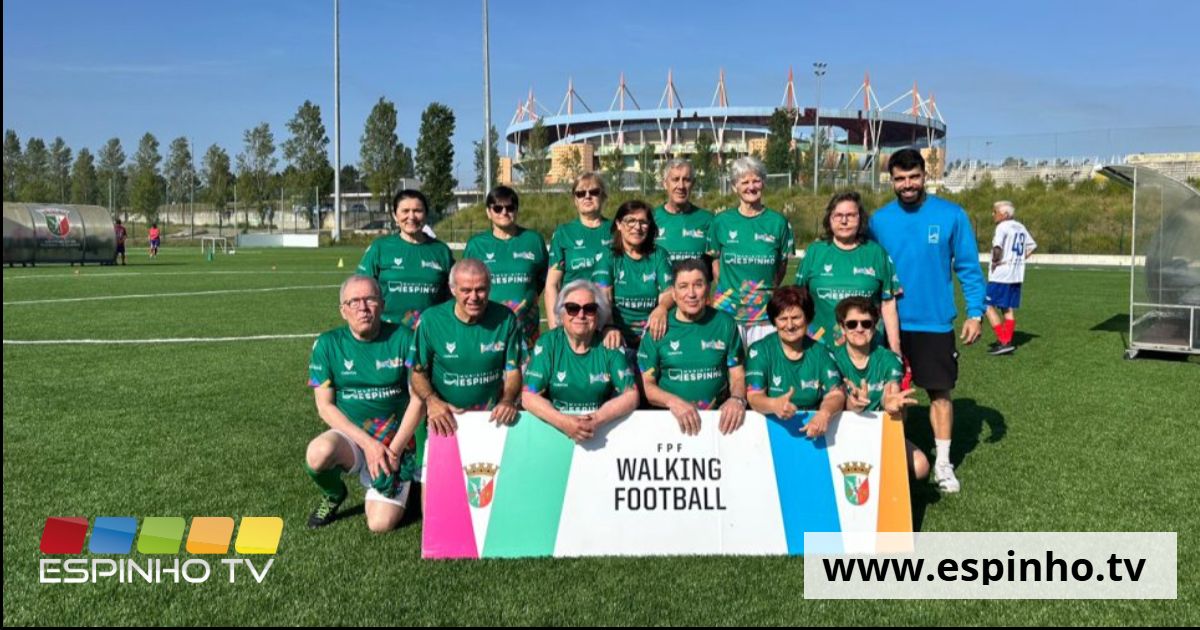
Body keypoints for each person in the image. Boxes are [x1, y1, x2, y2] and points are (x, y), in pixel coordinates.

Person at [868, 148, 986, 493]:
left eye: (913, 177)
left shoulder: (951, 215)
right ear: (891, 181)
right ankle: (892, 458)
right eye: (900, 179)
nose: (907, 185)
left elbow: (968, 267)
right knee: (890, 392)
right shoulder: (878, 221)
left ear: (925, 176)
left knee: (940, 393)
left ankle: (944, 464)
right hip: (889, 325)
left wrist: (975, 313)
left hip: (934, 324)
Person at [304, 276, 425, 531]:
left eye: (370, 299)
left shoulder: (406, 339)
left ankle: (406, 480)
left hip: (396, 442)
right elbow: (325, 406)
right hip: (354, 439)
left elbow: (419, 398)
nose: (363, 307)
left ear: (381, 304)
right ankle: (334, 495)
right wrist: (369, 445)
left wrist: (394, 449)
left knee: (380, 525)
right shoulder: (326, 344)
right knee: (318, 454)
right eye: (354, 301)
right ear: (343, 310)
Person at [408, 259, 524, 441]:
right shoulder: (431, 320)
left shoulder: (506, 318)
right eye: (466, 290)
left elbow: (513, 370)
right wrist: (432, 400)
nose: (474, 297)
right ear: (452, 289)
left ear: (490, 287)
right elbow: (417, 372)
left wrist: (508, 400)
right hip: (444, 418)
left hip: (492, 419)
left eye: (480, 289)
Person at [637, 258, 747, 436]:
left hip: (718, 424)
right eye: (683, 286)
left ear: (708, 288)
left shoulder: (725, 323)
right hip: (670, 423)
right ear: (673, 293)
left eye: (698, 285)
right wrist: (674, 402)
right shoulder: (657, 328)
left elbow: (737, 375)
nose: (691, 293)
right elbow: (647, 386)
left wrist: (736, 399)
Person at [522, 280, 639, 443]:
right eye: (573, 308)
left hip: (600, 433)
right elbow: (528, 397)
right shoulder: (547, 343)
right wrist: (564, 422)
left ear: (598, 315)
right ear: (561, 313)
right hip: (558, 433)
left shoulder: (609, 343)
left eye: (589, 309)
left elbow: (631, 395)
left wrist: (595, 420)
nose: (581, 315)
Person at [832, 296, 929, 480]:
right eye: (852, 324)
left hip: (877, 430)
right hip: (840, 432)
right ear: (842, 327)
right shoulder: (831, 359)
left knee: (920, 465)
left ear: (875, 325)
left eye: (866, 323)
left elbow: (890, 394)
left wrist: (892, 405)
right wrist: (853, 405)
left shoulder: (889, 359)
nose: (859, 329)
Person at [794, 191, 901, 352]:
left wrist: (895, 349)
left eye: (851, 215)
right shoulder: (814, 252)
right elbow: (798, 301)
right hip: (820, 350)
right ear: (829, 219)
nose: (844, 221)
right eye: (838, 215)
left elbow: (888, 304)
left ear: (861, 219)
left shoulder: (876, 253)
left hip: (867, 351)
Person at [707, 156, 795, 346]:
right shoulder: (721, 222)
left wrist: (765, 293)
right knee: (730, 370)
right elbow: (714, 261)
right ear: (734, 187)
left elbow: (782, 266)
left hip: (765, 313)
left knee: (763, 371)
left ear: (763, 183)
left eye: (756, 180)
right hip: (728, 311)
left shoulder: (778, 223)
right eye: (744, 182)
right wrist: (728, 291)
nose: (751, 187)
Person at [745, 286, 845, 438]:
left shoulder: (821, 352)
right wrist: (774, 405)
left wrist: (825, 413)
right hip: (768, 435)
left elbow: (836, 395)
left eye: (796, 317)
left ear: (808, 318)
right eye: (783, 319)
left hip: (814, 432)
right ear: (774, 321)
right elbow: (754, 397)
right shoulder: (759, 351)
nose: (790, 326)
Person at [356, 189, 454, 329]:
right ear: (395, 216)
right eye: (405, 211)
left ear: (426, 214)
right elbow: (360, 287)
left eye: (417, 211)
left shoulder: (441, 251)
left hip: (429, 332)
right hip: (387, 334)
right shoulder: (380, 247)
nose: (411, 216)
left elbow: (454, 294)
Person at [464, 186, 548, 349]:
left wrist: (528, 300)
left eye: (510, 207)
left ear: (516, 210)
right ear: (489, 212)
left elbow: (544, 279)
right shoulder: (476, 245)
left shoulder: (533, 240)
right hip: (488, 327)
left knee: (525, 373)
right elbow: (465, 283)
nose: (504, 212)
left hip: (526, 331)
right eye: (497, 208)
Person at [592, 200, 674, 351]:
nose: (637, 227)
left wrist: (662, 308)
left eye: (643, 222)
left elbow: (669, 292)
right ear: (618, 224)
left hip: (653, 334)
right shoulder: (607, 256)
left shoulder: (659, 255)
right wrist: (609, 326)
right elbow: (604, 296)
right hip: (617, 334)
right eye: (631, 221)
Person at [545, 172, 614, 330]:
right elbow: (552, 285)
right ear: (575, 200)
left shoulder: (617, 230)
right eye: (581, 193)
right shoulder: (563, 233)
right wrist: (554, 326)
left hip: (607, 320)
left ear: (603, 196)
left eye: (594, 192)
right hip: (574, 316)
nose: (587, 197)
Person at [985, 200, 1038, 355]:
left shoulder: (1002, 227)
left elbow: (997, 248)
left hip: (1001, 273)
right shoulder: (1020, 226)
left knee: (986, 305)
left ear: (1004, 214)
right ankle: (1005, 341)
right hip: (1016, 273)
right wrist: (1019, 260)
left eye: (995, 212)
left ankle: (1004, 340)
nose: (993, 214)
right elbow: (1032, 246)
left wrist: (996, 262)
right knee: (1007, 308)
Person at [653, 159, 713, 263]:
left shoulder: (709, 220)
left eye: (686, 180)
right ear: (665, 183)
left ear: (693, 184)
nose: (681, 186)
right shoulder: (651, 218)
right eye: (675, 179)